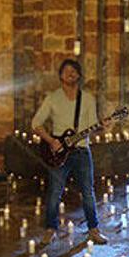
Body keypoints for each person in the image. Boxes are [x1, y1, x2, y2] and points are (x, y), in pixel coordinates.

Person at [32, 59, 110, 245]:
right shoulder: (52, 98)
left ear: (79, 76)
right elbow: (36, 123)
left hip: (82, 151)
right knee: (54, 192)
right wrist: (52, 141)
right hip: (59, 153)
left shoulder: (88, 99)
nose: (70, 74)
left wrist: (103, 126)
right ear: (60, 76)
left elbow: (92, 125)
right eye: (66, 71)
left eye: (74, 71)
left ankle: (93, 229)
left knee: (88, 191)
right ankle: (50, 229)